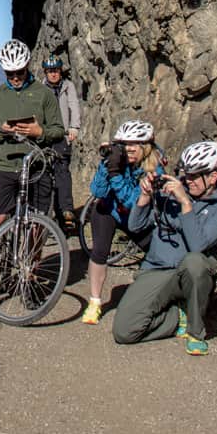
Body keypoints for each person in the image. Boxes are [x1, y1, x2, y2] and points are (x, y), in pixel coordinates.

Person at [0, 39, 64, 310]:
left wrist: (40, 132)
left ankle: (30, 279)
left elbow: (58, 130)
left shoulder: (44, 94)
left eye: (19, 72)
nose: (15, 78)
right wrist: (3, 131)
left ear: (28, 66)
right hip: (4, 167)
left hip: (36, 165)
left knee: (37, 227)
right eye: (10, 73)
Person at [112, 141, 217, 356]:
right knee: (124, 332)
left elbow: (198, 245)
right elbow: (135, 227)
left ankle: (195, 331)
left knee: (195, 262)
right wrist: (144, 197)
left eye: (195, 176)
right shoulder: (170, 189)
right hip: (157, 268)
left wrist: (185, 203)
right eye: (186, 175)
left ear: (213, 177)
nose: (188, 181)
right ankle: (176, 315)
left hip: (190, 273)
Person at [80, 120, 164, 324]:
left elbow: (133, 203)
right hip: (108, 210)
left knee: (157, 254)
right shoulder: (116, 160)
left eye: (135, 144)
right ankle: (95, 302)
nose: (130, 149)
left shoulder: (155, 170)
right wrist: (107, 165)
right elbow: (98, 191)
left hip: (137, 216)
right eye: (125, 144)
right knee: (99, 252)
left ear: (146, 146)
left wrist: (116, 175)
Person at [41, 55, 81, 234]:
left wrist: (74, 127)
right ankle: (43, 215)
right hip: (45, 137)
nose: (53, 74)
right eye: (50, 71)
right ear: (45, 73)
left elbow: (74, 106)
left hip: (62, 137)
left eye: (56, 71)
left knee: (62, 173)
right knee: (44, 176)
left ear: (60, 71)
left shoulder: (68, 86)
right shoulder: (40, 88)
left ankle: (66, 213)